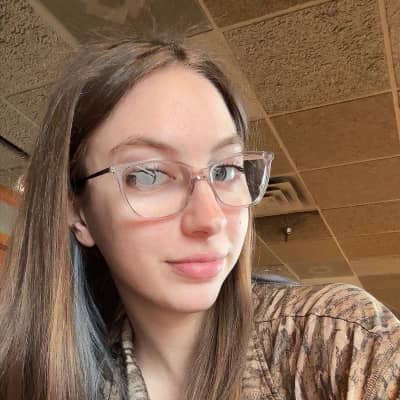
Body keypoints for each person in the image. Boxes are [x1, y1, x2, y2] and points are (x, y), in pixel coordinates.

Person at [0, 38, 399, 400]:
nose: (210, 219)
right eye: (149, 175)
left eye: (225, 170)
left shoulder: (339, 339)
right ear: (78, 211)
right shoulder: (57, 380)